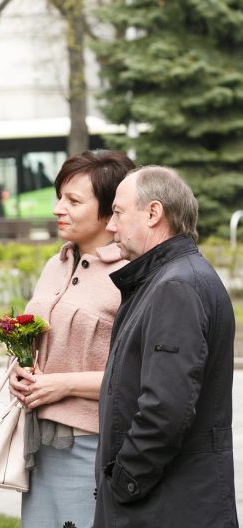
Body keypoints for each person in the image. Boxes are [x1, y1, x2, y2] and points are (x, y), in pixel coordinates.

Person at [95, 166, 237, 527]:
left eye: (118, 212)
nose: (110, 226)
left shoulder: (176, 286)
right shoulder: (169, 278)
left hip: (167, 506)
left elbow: (165, 408)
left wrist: (125, 481)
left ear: (153, 213)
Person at [7, 151, 135, 528]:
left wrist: (62, 386)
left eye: (74, 201)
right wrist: (18, 370)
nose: (57, 209)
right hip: (40, 441)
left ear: (111, 212)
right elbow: (42, 342)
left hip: (94, 444)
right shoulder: (56, 263)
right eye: (59, 196)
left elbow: (137, 375)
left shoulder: (131, 275)